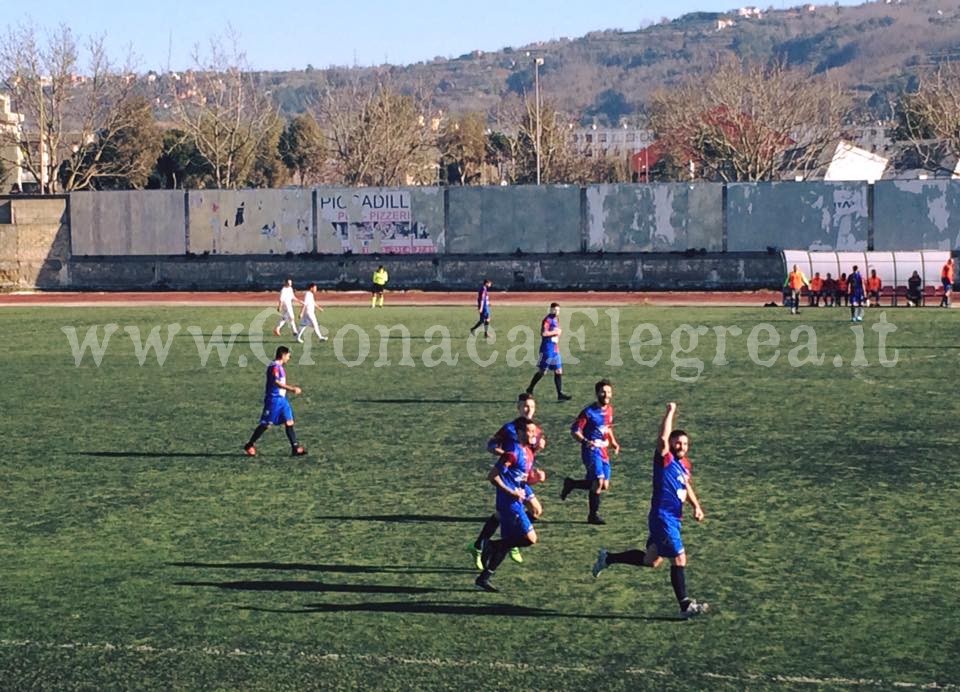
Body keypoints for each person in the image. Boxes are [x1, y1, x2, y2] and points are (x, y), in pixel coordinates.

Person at [591, 402, 708, 618]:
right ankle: (685, 606)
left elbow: (686, 486)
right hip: (663, 518)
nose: (681, 446)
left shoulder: (684, 465)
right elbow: (662, 439)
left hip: (673, 517)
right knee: (680, 558)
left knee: (651, 560)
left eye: (684, 443)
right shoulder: (665, 458)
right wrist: (669, 412)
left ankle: (608, 558)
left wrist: (696, 506)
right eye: (677, 442)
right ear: (671, 443)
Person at [468, 393, 545, 569]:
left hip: (521, 479)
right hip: (509, 478)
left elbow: (528, 456)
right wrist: (502, 454)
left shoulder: (535, 429)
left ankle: (497, 543)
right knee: (510, 512)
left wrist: (538, 451)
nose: (528, 410)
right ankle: (503, 543)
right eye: (525, 406)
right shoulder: (509, 428)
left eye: (531, 406)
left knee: (535, 510)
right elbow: (491, 445)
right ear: (518, 407)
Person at [475, 417, 540, 593]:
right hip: (509, 504)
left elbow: (521, 478)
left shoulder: (528, 452)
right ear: (519, 433)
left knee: (507, 542)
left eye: (534, 431)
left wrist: (536, 477)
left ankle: (484, 577)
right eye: (529, 431)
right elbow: (493, 476)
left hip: (516, 500)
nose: (533, 434)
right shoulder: (512, 453)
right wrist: (511, 492)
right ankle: (491, 546)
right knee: (530, 539)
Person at [561, 379, 620, 525]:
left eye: (609, 392)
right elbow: (575, 430)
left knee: (603, 485)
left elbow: (608, 427)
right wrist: (585, 442)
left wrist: (613, 442)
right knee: (598, 481)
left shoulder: (609, 410)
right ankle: (592, 516)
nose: (606, 395)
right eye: (603, 392)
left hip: (603, 450)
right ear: (597, 393)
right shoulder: (588, 413)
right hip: (591, 451)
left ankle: (572, 484)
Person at [244, 346, 307, 457]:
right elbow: (276, 382)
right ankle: (249, 445)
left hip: (282, 400)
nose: (289, 358)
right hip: (273, 400)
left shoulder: (279, 367)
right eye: (288, 355)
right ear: (283, 355)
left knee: (289, 421)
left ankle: (295, 448)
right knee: (266, 424)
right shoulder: (274, 367)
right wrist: (292, 389)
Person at [526, 302, 572, 401]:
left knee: (558, 370)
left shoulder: (556, 319)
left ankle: (560, 394)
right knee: (542, 372)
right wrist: (555, 332)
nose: (556, 312)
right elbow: (543, 333)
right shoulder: (547, 320)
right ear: (550, 309)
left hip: (555, 349)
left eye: (558, 310)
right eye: (554, 310)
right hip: (546, 349)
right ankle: (530, 388)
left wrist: (558, 334)